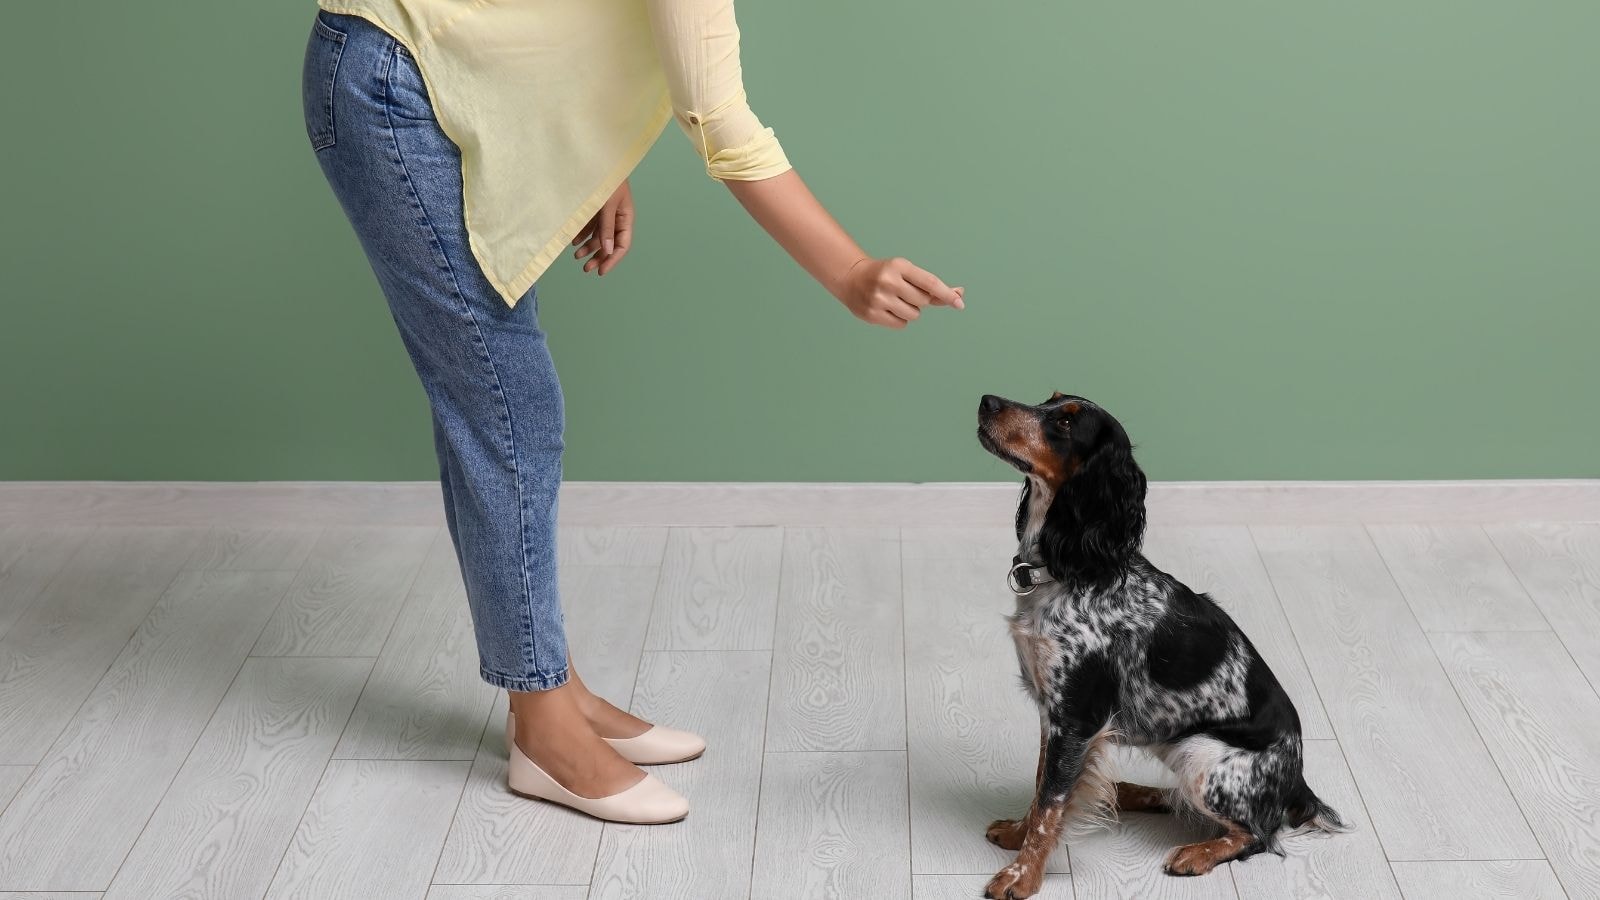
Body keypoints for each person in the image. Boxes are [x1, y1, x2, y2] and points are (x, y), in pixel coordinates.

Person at [302, 0, 963, 824]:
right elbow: (717, 116)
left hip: (439, 71)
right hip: (397, 85)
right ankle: (542, 728)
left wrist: (595, 160)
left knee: (500, 399)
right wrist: (851, 270)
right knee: (506, 409)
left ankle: (555, 689)